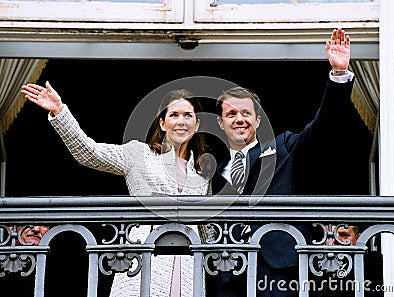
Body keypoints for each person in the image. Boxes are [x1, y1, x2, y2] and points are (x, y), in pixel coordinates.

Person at [208, 28, 362, 297]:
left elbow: (323, 128)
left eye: (246, 113)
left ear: (257, 121)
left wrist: (338, 75)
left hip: (279, 273)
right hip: (227, 277)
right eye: (231, 113)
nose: (239, 119)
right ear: (220, 123)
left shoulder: (283, 147)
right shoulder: (210, 171)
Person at [20, 85, 212, 296]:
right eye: (174, 115)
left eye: (188, 115)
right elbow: (89, 152)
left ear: (197, 124)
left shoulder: (202, 173)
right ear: (162, 123)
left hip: (188, 267)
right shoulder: (139, 154)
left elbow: (208, 229)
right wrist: (59, 111)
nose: (181, 121)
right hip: (144, 259)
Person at [310, 225, 383, 297]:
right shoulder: (311, 269)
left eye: (344, 235)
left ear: (358, 238)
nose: (335, 240)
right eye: (329, 236)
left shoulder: (373, 268)